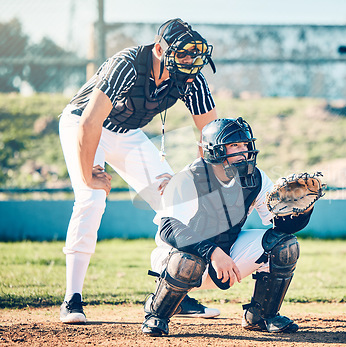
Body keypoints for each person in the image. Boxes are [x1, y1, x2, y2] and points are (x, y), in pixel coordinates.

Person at [58, 18, 219, 324]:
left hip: (127, 133)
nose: (188, 61)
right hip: (83, 124)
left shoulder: (191, 79)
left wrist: (194, 177)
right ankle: (72, 298)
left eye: (193, 54)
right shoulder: (127, 65)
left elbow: (210, 134)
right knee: (91, 199)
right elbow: (89, 123)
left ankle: (172, 291)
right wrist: (88, 176)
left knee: (179, 201)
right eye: (181, 54)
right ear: (160, 49)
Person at [141, 117, 314, 337]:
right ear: (214, 150)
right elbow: (169, 229)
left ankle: (261, 315)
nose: (243, 152)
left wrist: (301, 211)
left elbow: (280, 226)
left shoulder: (255, 178)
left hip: (227, 259)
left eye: (245, 145)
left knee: (284, 245)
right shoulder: (190, 178)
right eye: (234, 145)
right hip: (176, 263)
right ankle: (157, 314)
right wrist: (213, 252)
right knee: (187, 260)